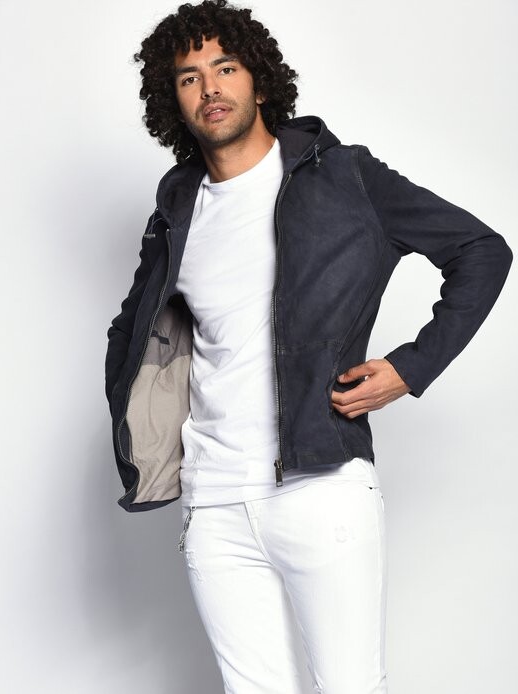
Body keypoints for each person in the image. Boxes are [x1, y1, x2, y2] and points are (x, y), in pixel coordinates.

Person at [104, 1, 513, 692]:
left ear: (259, 81)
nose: (209, 88)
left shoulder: (344, 176)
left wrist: (409, 369)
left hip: (322, 489)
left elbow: (482, 250)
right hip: (214, 500)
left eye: (225, 68)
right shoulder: (177, 209)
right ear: (173, 100)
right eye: (189, 77)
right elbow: (133, 328)